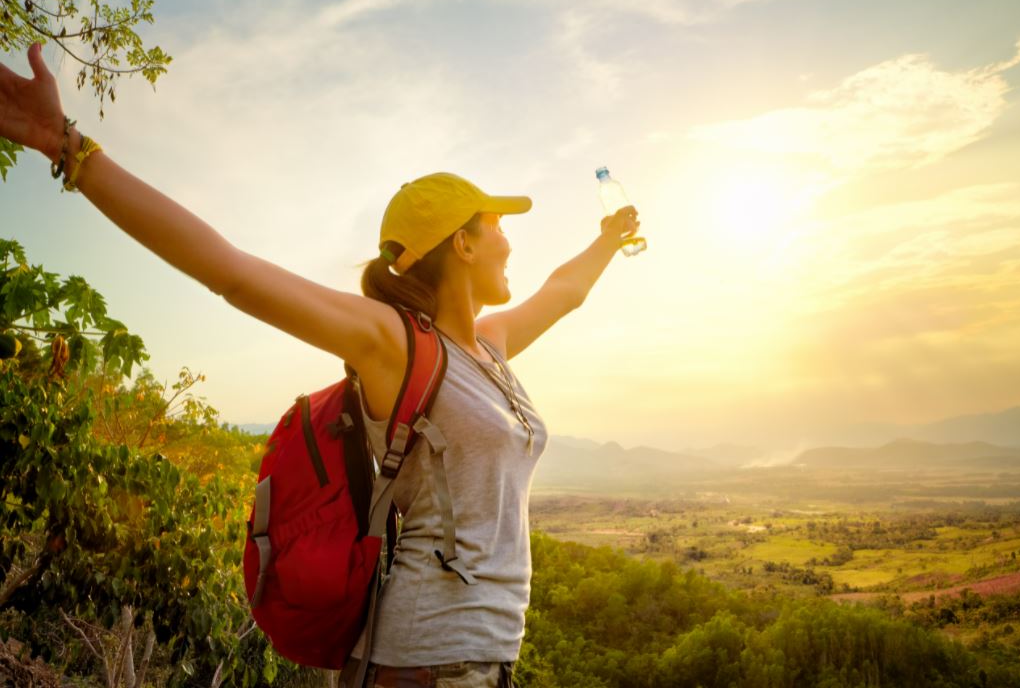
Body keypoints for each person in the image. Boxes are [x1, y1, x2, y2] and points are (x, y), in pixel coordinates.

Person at [0, 44, 641, 688]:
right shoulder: (392, 341)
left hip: (477, 660)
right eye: (497, 224)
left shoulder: (489, 349)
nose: (510, 238)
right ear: (463, 243)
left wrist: (609, 238)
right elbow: (231, 272)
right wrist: (69, 148)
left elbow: (564, 292)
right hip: (425, 663)